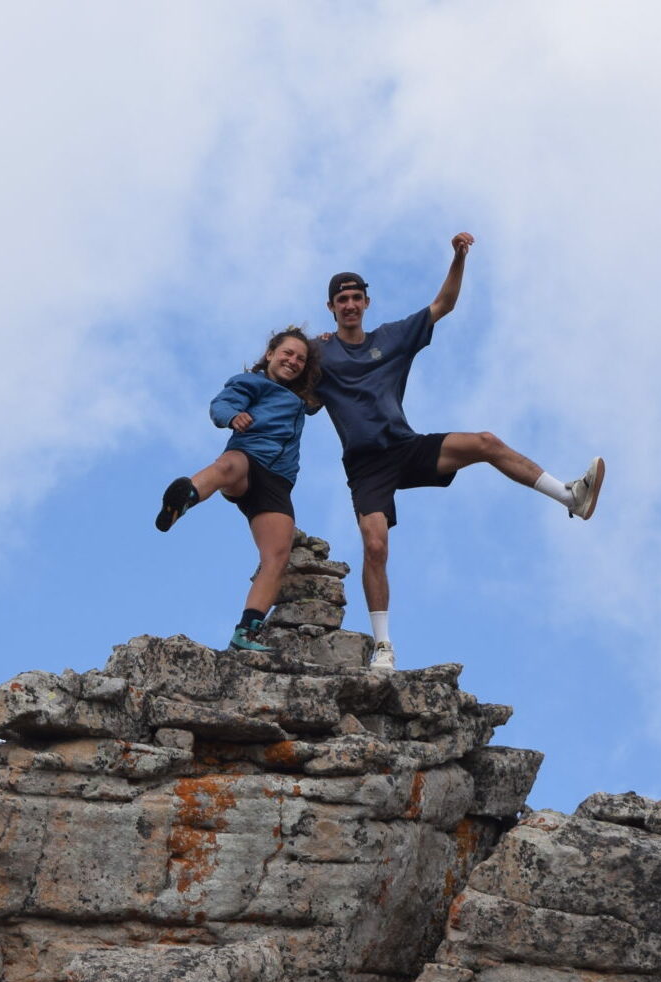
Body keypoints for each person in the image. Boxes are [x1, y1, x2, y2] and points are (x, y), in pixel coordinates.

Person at [318, 234, 604, 671]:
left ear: (367, 303)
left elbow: (443, 304)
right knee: (375, 545)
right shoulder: (321, 353)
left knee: (485, 443)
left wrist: (458, 258)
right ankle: (383, 646)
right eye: (343, 300)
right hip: (366, 464)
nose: (351, 305)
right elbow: (284, 368)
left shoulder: (391, 337)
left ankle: (570, 497)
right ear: (332, 308)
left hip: (405, 446)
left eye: (357, 298)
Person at [154, 327, 323, 653]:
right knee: (228, 466)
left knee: (276, 556)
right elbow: (222, 403)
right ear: (270, 353)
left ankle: (245, 633)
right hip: (249, 458)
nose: (293, 361)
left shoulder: (304, 400)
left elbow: (331, 384)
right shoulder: (253, 383)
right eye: (287, 353)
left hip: (278, 483)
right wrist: (232, 417)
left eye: (301, 359)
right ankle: (186, 496)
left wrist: (326, 347)